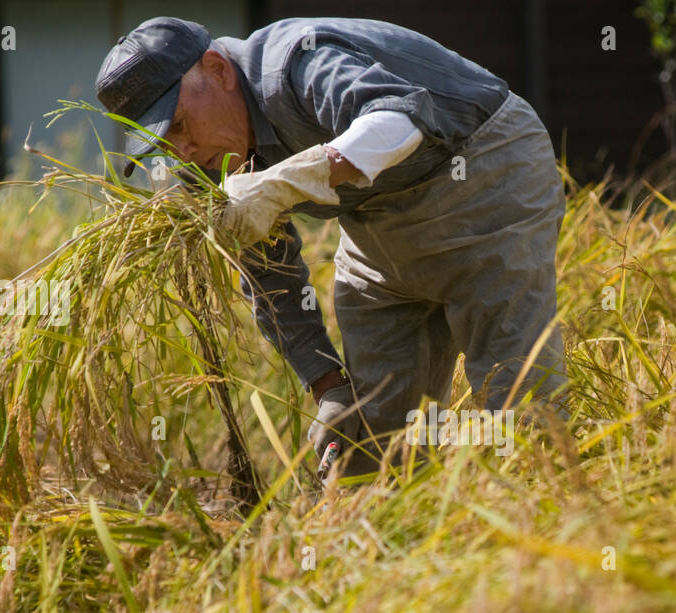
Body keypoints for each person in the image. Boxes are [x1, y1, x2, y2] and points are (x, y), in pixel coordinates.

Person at [96, 15, 567, 482]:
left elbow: (397, 119)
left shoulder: (297, 63)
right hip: (377, 226)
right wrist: (328, 389)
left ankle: (536, 519)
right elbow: (267, 273)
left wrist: (285, 182)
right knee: (373, 431)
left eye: (179, 124)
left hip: (483, 177)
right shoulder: (206, 162)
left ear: (217, 69)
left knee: (515, 395)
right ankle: (386, 540)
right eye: (163, 142)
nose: (184, 152)